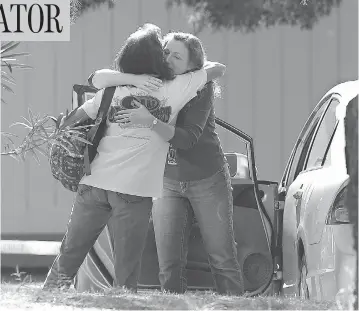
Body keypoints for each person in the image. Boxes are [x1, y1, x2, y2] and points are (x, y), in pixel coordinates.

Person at [42, 24, 226, 292]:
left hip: (94, 184)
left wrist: (129, 79)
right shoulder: (176, 87)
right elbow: (217, 69)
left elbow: (78, 113)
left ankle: (46, 302)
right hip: (133, 191)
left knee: (67, 259)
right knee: (125, 275)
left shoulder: (111, 89)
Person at [90, 32, 245, 296]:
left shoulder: (199, 88)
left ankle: (234, 304)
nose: (168, 59)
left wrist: (148, 120)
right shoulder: (151, 80)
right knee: (169, 265)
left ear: (191, 66)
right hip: (166, 181)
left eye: (177, 56)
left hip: (206, 179)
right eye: (166, 52)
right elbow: (97, 79)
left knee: (222, 258)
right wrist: (133, 79)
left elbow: (187, 140)